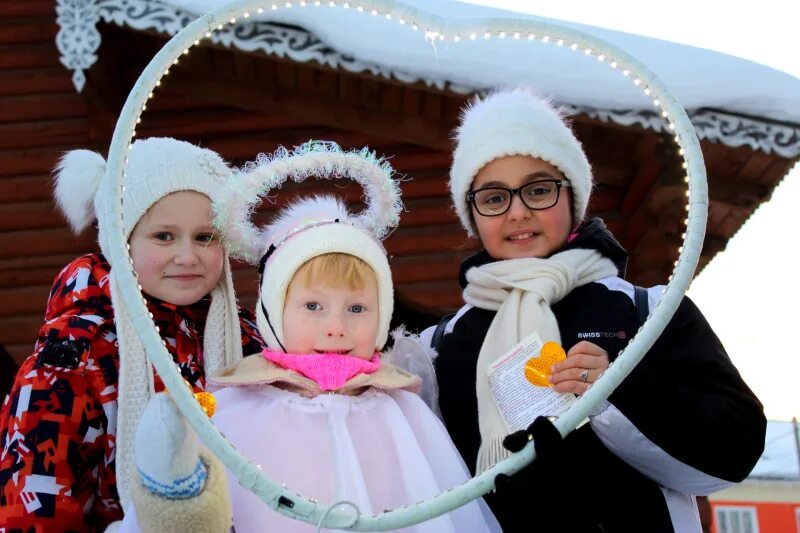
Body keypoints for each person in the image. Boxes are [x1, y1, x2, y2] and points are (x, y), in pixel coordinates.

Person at [425, 87, 767, 532]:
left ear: (573, 197)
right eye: (494, 198)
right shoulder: (438, 345)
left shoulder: (649, 311)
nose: (517, 213)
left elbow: (730, 455)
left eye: (539, 189)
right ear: (473, 215)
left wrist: (615, 391)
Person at [122, 143, 499, 533]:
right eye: (313, 306)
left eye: (356, 309)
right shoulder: (235, 411)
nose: (336, 327)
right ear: (274, 314)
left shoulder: (402, 410)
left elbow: (447, 510)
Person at [0, 137, 265, 532]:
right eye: (164, 236)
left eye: (205, 237)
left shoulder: (244, 337)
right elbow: (37, 500)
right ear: (119, 241)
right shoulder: (75, 355)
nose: (187, 256)